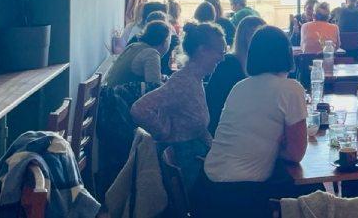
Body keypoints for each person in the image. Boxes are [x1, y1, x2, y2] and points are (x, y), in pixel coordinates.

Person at [200, 26, 317, 216]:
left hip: (207, 190)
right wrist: (279, 145)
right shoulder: (290, 89)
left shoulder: (239, 87)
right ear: (287, 54)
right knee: (312, 193)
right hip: (243, 198)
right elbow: (295, 154)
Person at [131, 22, 226, 188]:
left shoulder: (195, 80)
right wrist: (163, 132)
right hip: (187, 166)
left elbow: (199, 128)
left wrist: (217, 150)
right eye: (220, 52)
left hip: (194, 160)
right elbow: (139, 109)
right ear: (202, 50)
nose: (222, 58)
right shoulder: (183, 82)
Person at [205, 15, 266, 135]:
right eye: (256, 36)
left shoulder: (260, 65)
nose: (262, 41)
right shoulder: (228, 63)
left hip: (246, 124)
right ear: (244, 38)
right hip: (224, 127)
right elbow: (218, 103)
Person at [105, 20, 171, 87]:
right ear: (164, 42)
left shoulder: (134, 45)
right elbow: (154, 87)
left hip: (109, 90)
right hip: (119, 92)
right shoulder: (152, 54)